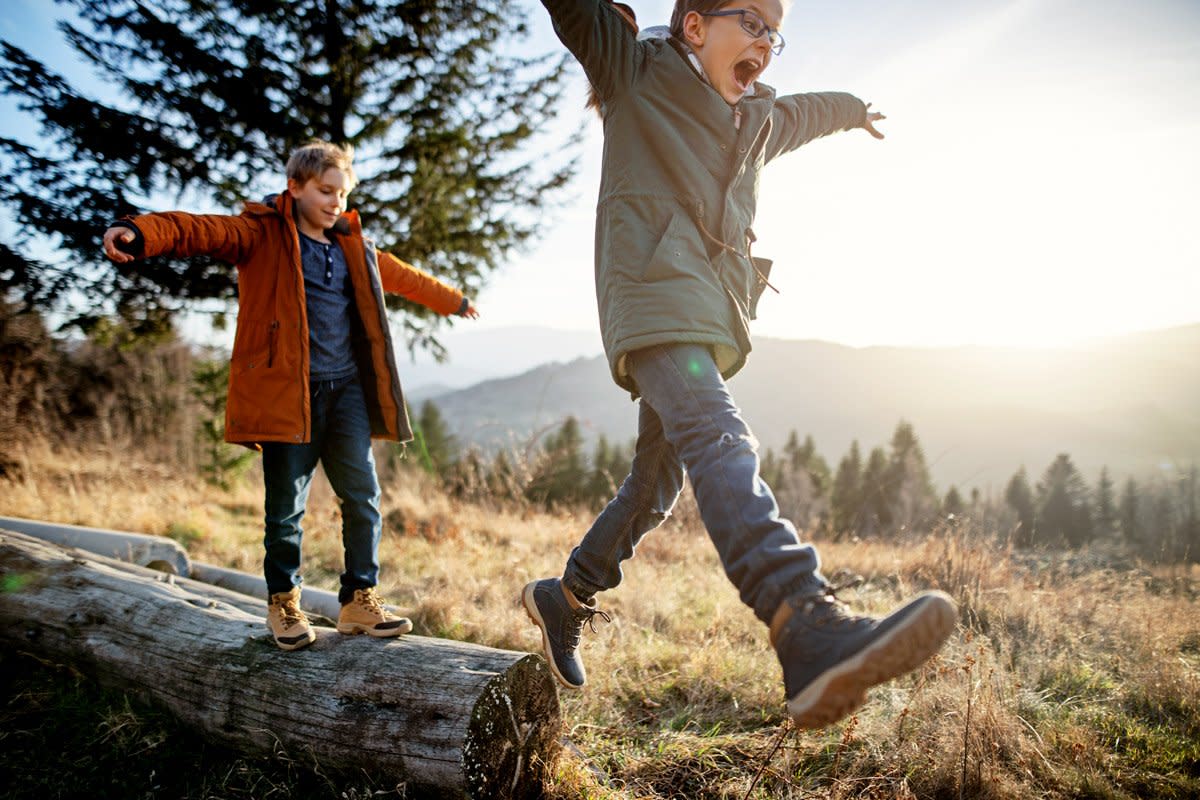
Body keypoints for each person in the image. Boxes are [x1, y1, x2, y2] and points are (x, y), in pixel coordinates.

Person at [522, 0, 956, 730]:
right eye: (751, 22)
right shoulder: (634, 72)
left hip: (707, 306)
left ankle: (563, 597)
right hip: (653, 298)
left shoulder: (755, 116)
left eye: (774, 35)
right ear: (695, 25)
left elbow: (806, 112)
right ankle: (801, 615)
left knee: (655, 484)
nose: (765, 42)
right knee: (721, 436)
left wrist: (851, 109)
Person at [102, 140, 479, 651]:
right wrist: (141, 231)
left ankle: (358, 601)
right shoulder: (260, 235)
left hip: (345, 391)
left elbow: (404, 277)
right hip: (289, 396)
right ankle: (283, 603)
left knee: (363, 498)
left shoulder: (353, 246)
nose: (335, 203)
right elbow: (198, 229)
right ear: (296, 186)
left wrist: (453, 300)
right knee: (285, 509)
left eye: (342, 194)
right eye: (325, 191)